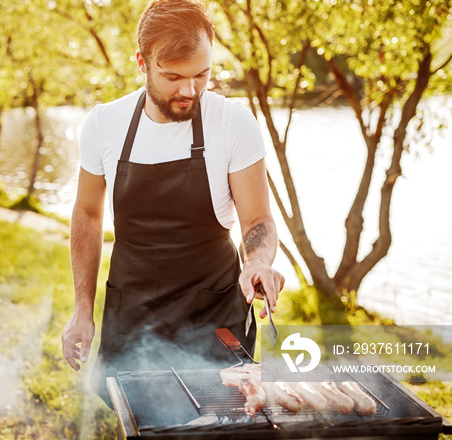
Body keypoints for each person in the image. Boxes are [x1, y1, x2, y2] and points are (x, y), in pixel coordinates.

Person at [61, 0, 285, 407]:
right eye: (173, 77)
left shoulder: (233, 123)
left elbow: (257, 219)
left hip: (213, 314)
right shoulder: (104, 125)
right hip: (131, 312)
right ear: (141, 62)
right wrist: (82, 309)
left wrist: (256, 262)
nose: (189, 90)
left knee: (219, 419)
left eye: (202, 74)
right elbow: (88, 215)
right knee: (140, 419)